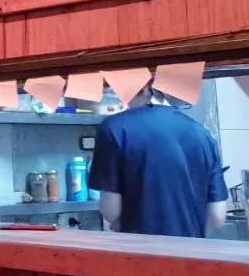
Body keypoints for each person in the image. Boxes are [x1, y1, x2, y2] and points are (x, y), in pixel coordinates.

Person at [89, 81, 228, 238]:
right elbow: (217, 217)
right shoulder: (203, 134)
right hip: (192, 249)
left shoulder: (113, 128)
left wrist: (120, 222)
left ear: (144, 88)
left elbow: (110, 210)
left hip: (140, 248)